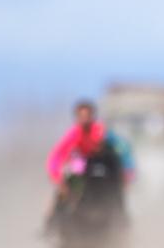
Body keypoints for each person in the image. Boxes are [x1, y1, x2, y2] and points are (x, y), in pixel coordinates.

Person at [45, 100, 134, 234]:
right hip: (82, 165)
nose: (84, 119)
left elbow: (123, 149)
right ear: (76, 117)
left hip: (104, 165)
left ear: (93, 116)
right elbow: (57, 156)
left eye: (87, 116)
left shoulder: (103, 132)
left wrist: (128, 171)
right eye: (81, 116)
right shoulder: (73, 135)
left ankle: (123, 223)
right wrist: (57, 177)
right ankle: (53, 224)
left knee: (117, 190)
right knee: (65, 190)